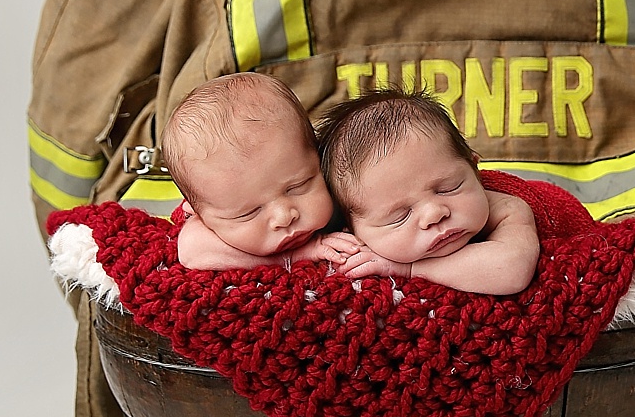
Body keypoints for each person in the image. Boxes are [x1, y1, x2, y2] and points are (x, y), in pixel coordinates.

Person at [316, 88, 539, 295]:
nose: (434, 214)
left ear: (474, 167)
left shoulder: (508, 208)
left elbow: (511, 271)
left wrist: (410, 268)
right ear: (352, 230)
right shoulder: (345, 242)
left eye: (448, 189)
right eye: (400, 216)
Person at [164, 72, 354, 270]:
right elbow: (191, 252)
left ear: (318, 156)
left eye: (298, 186)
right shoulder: (204, 221)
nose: (284, 217)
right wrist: (298, 255)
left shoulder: (340, 184)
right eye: (249, 213)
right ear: (199, 214)